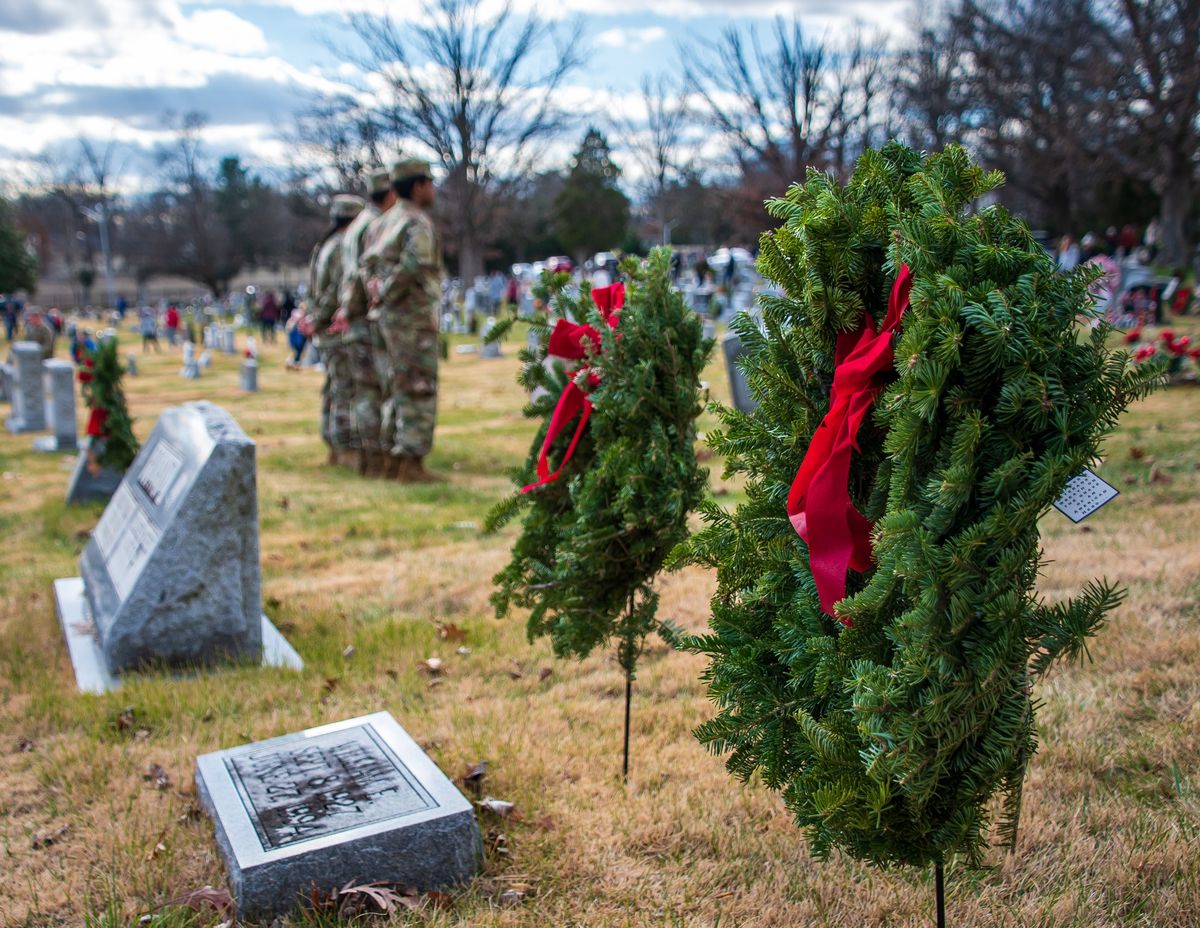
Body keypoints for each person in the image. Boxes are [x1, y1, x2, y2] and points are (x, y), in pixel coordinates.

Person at [361, 159, 443, 482]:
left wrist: (377, 293)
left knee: (393, 387)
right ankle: (411, 461)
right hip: (411, 318)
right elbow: (414, 266)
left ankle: (391, 458)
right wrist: (389, 292)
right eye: (430, 183)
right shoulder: (415, 222)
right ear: (419, 185)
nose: (432, 190)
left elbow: (366, 268)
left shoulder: (380, 223)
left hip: (385, 319)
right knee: (417, 387)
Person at [339, 167, 394, 477]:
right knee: (376, 391)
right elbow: (366, 275)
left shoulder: (357, 226)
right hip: (367, 320)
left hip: (355, 318)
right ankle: (375, 457)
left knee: (364, 391)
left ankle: (367, 455)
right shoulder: (374, 225)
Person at [309, 194, 365, 466]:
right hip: (335, 326)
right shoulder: (344, 246)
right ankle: (344, 446)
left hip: (325, 327)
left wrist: (312, 318)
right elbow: (336, 291)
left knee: (333, 386)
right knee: (345, 387)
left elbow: (315, 290)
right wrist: (321, 318)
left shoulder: (325, 246)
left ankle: (332, 442)